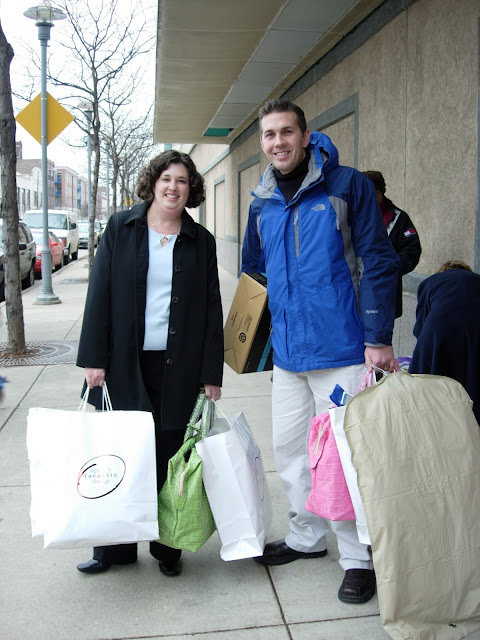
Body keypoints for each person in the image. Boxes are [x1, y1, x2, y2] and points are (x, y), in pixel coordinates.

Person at [241, 99, 399, 604]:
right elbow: (254, 274)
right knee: (290, 452)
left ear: (306, 137)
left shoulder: (346, 186)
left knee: (346, 457)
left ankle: (357, 558)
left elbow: (377, 261)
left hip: (345, 349)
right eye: (270, 135)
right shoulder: (261, 201)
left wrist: (378, 337)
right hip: (289, 355)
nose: (279, 142)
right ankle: (306, 537)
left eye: (287, 132)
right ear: (262, 142)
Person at [76, 150, 224, 577]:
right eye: (166, 179)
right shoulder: (121, 228)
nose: (173, 187)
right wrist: (93, 359)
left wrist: (210, 373)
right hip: (124, 363)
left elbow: (211, 309)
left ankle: (167, 548)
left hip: (179, 367)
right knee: (120, 455)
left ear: (190, 189)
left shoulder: (201, 241)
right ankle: (115, 550)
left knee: (168, 457)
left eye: (182, 180)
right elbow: (100, 293)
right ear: (153, 183)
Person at [409, 260, 480, 424]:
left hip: (440, 327)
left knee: (428, 380)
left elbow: (421, 326)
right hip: (476, 327)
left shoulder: (432, 281)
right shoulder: (476, 280)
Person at [363, 170, 421, 318]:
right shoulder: (352, 215)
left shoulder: (399, 219)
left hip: (385, 296)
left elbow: (412, 251)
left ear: (379, 193)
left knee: (380, 332)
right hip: (356, 296)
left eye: (367, 193)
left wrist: (389, 266)